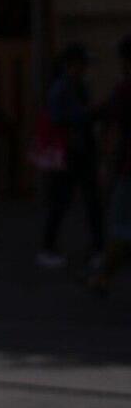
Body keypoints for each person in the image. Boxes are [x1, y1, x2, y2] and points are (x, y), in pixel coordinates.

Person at [37, 42, 105, 269]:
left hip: (79, 151)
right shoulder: (63, 88)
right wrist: (87, 113)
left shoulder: (76, 85)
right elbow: (60, 118)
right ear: (71, 65)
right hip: (71, 153)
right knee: (65, 202)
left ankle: (97, 248)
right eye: (82, 64)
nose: (84, 69)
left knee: (87, 202)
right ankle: (49, 248)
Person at [88, 35, 131, 293]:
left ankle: (102, 275)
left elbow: (104, 112)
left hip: (129, 169)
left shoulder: (125, 90)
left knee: (121, 227)